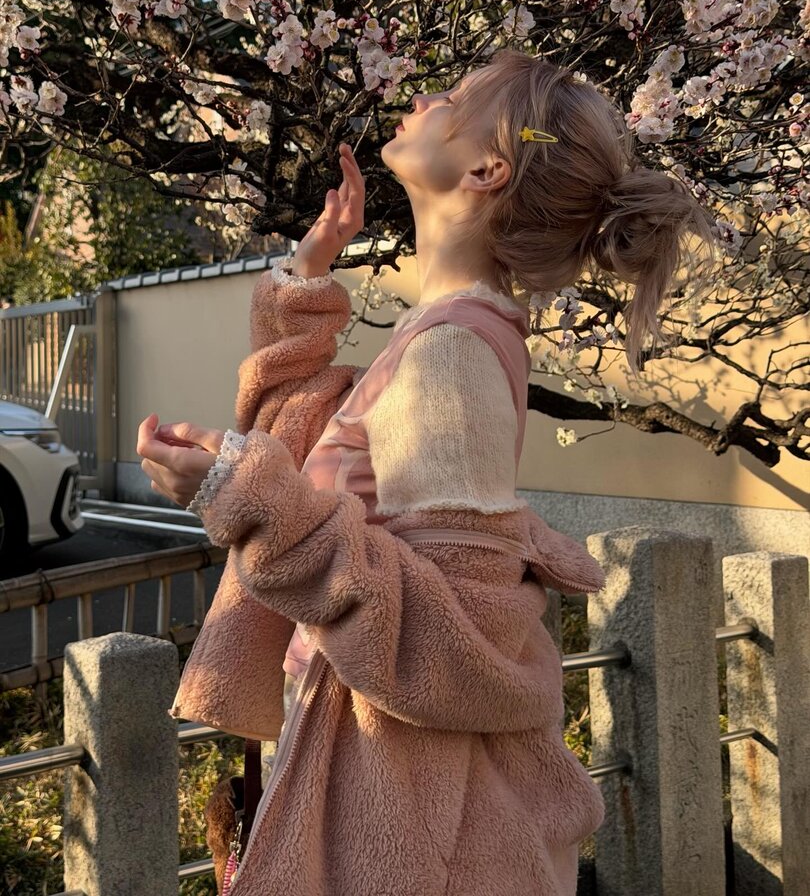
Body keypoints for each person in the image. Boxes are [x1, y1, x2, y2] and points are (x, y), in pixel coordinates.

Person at [140, 49, 719, 895]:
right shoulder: (444, 334)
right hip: (373, 772)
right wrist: (307, 278)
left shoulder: (451, 356)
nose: (422, 96)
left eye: (453, 96)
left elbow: (456, 639)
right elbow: (312, 454)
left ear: (487, 168)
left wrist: (241, 494)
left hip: (408, 819)